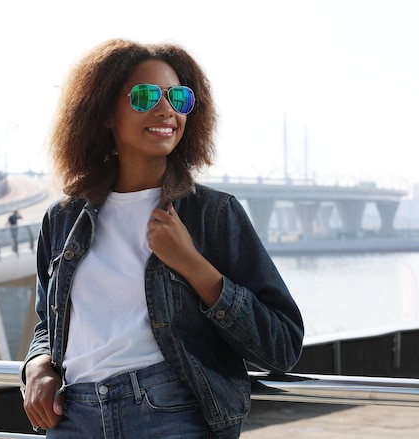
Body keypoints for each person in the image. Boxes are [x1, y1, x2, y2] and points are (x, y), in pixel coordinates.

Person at [21, 39, 304, 438]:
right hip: (74, 417)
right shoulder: (64, 218)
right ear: (104, 112)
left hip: (171, 415)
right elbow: (48, 324)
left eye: (179, 98)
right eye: (145, 95)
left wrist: (193, 265)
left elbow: (282, 345)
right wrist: (37, 366)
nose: (166, 109)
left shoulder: (213, 214)